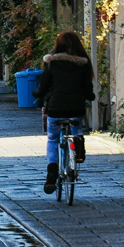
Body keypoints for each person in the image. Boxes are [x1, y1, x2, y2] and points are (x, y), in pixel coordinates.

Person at [32, 31, 95, 194]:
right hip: (76, 108)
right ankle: (78, 151)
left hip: (55, 108)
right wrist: (91, 96)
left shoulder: (51, 63)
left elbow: (43, 87)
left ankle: (52, 174)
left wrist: (36, 93)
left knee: (53, 139)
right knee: (77, 127)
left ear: (57, 45)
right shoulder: (83, 63)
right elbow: (88, 90)